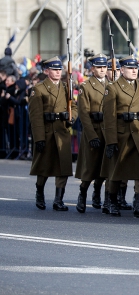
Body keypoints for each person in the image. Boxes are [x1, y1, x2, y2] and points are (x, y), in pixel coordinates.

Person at [101, 55, 139, 218]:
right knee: (117, 170)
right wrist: (111, 141)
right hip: (122, 134)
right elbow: (109, 118)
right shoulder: (113, 88)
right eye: (130, 68)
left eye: (135, 68)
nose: (133, 71)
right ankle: (111, 201)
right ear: (122, 70)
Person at [28, 57, 77, 211]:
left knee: (63, 168)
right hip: (47, 132)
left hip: (62, 131)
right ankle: (40, 192)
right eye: (54, 69)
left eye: (59, 70)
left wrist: (71, 117)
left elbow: (74, 107)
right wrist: (39, 138)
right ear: (47, 71)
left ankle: (58, 200)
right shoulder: (39, 89)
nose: (57, 72)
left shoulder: (65, 87)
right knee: (44, 166)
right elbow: (35, 117)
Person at [74, 54, 109, 213]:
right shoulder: (86, 87)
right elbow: (83, 114)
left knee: (104, 166)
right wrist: (91, 136)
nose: (102, 70)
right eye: (99, 67)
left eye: (104, 67)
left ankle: (97, 193)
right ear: (92, 69)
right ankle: (83, 193)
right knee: (90, 167)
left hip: (107, 131)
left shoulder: (111, 85)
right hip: (94, 130)